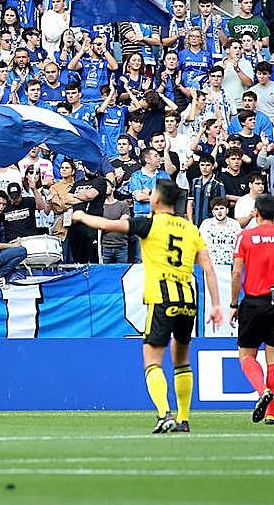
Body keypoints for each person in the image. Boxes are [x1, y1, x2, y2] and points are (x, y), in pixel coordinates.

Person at [72, 178, 223, 433]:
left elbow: (108, 224)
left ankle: (164, 414)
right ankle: (184, 419)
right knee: (182, 361)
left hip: (162, 298)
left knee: (152, 359)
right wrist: (216, 304)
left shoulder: (150, 224)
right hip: (188, 299)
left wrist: (81, 216)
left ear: (156, 199)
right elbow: (208, 267)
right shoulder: (190, 228)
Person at [231, 192, 274, 424]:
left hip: (254, 302)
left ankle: (262, 392)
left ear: (256, 212)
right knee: (273, 360)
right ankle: (272, 412)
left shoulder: (245, 236)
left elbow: (237, 272)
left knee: (247, 355)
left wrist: (233, 303)